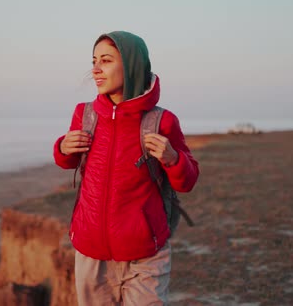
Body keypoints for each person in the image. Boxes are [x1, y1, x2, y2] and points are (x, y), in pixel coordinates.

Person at [53, 31, 199, 305]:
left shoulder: (162, 120)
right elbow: (68, 162)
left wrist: (172, 158)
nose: (95, 69)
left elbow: (187, 181)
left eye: (106, 60)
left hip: (145, 255)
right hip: (91, 253)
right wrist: (63, 147)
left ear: (131, 65)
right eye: (94, 60)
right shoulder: (84, 114)